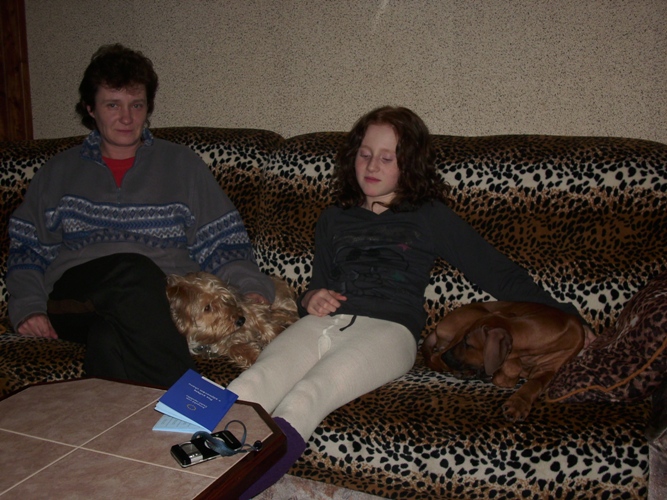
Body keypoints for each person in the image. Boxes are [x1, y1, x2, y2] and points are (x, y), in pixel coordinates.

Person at [228, 105, 586, 498]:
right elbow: (317, 286)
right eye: (365, 153)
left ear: (409, 164)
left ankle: (226, 492)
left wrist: (571, 317)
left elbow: (498, 274)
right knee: (250, 383)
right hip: (323, 323)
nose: (372, 165)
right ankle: (187, 479)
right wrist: (311, 298)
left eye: (387, 158)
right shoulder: (333, 217)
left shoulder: (429, 216)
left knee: (305, 396)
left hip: (390, 331)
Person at [6, 44, 274, 387]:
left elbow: (224, 244)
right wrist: (28, 308)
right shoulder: (58, 171)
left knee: (108, 340)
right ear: (90, 108)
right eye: (112, 105)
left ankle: (123, 421)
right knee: (134, 271)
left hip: (163, 307)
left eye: (137, 105)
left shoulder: (182, 165)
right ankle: (190, 399)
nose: (127, 117)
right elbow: (27, 251)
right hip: (76, 298)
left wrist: (251, 290)